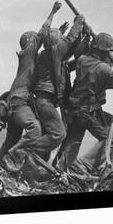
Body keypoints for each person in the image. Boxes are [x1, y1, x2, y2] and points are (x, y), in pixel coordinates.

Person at [0, 1, 62, 170]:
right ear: (30, 42)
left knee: (12, 139)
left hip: (17, 100)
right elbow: (42, 33)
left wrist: (60, 35)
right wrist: (52, 12)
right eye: (34, 41)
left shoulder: (29, 58)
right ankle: (12, 158)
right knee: (34, 128)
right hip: (19, 101)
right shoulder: (28, 54)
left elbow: (48, 45)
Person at [55, 33, 113, 169]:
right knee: (110, 141)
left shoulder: (82, 60)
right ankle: (83, 166)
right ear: (104, 51)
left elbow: (103, 80)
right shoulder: (103, 69)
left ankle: (62, 169)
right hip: (87, 110)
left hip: (75, 108)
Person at [31, 13, 86, 160]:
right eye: (59, 38)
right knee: (58, 134)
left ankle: (37, 166)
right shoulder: (55, 52)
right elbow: (69, 41)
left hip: (43, 100)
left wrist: (84, 38)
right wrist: (78, 22)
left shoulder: (47, 55)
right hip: (45, 101)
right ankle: (24, 151)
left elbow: (70, 59)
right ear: (56, 42)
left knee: (48, 136)